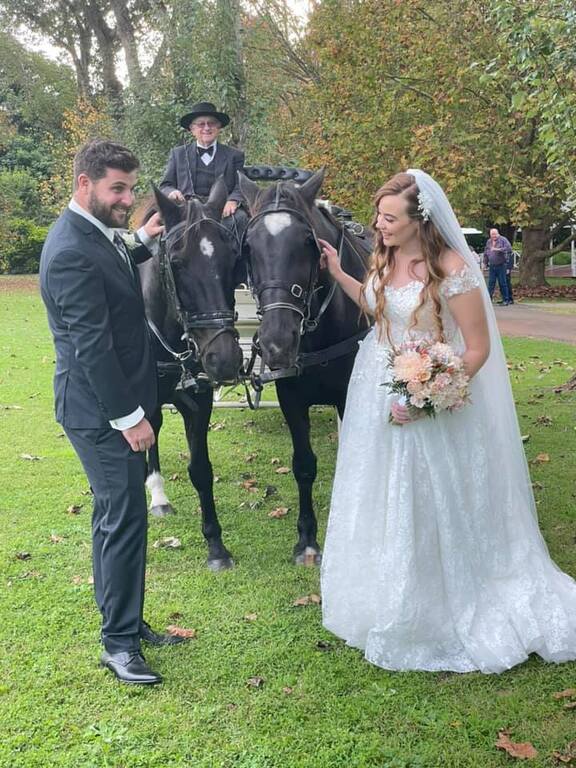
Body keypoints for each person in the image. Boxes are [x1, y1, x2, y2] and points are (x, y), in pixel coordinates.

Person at [318, 170, 576, 673]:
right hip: (376, 389)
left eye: (389, 218)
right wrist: (338, 273)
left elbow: (477, 348)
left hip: (432, 400)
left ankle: (446, 595)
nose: (379, 225)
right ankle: (387, 592)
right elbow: (377, 306)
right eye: (378, 216)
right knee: (381, 488)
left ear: (420, 221)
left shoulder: (454, 268)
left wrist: (428, 395)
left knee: (430, 491)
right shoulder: (385, 257)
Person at [40, 139, 188, 687]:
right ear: (85, 184)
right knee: (123, 519)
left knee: (117, 518)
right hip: (101, 411)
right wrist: (130, 418)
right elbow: (92, 349)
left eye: (130, 188)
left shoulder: (93, 234)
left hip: (109, 405)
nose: (127, 198)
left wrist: (142, 241)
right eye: (117, 189)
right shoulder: (70, 250)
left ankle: (126, 620)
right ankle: (118, 644)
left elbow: (117, 258)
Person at [159, 100, 247, 235]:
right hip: (188, 208)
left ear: (218, 127)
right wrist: (172, 192)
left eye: (211, 123)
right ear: (192, 129)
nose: (207, 128)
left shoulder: (234, 155)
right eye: (201, 124)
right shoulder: (178, 154)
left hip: (221, 209)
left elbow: (240, 185)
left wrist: (233, 200)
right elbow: (165, 185)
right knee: (165, 225)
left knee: (240, 219)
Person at [484, 227, 513, 305]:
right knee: (491, 283)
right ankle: (489, 299)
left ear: (498, 233)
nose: (494, 236)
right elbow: (486, 252)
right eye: (492, 234)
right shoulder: (489, 241)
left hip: (501, 265)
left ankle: (506, 300)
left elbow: (509, 249)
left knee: (502, 283)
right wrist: (485, 263)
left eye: (495, 234)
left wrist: (498, 249)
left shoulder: (503, 240)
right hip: (492, 265)